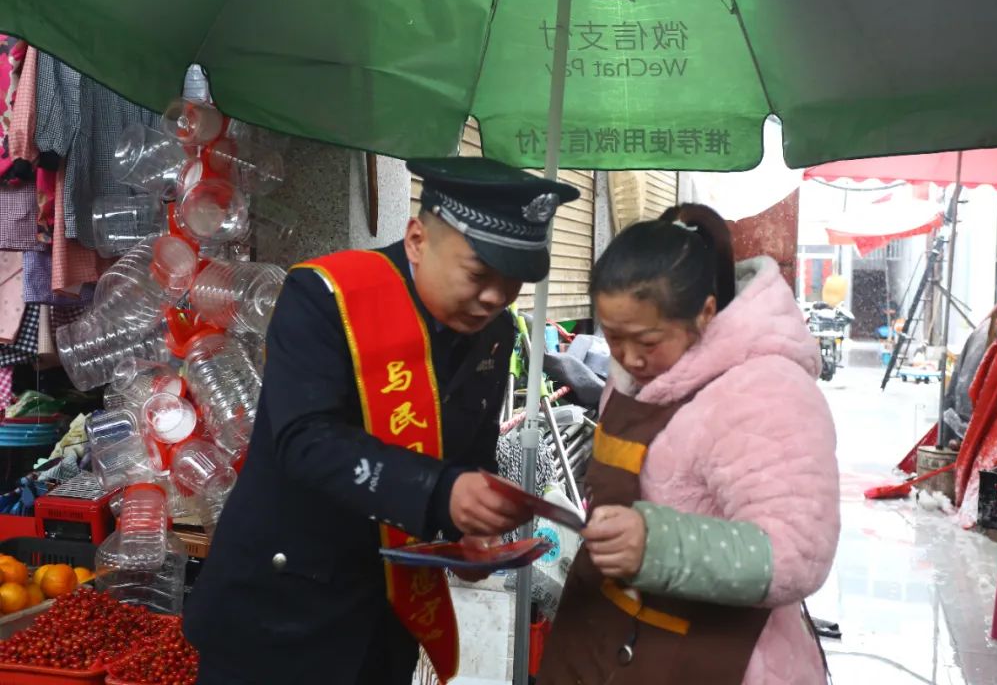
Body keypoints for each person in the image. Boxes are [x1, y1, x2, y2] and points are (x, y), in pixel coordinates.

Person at [184, 157, 580, 685]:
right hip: (280, 611)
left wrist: (468, 530)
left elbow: (468, 457)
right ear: (417, 239)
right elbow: (305, 441)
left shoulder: (494, 333)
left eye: (514, 281)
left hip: (385, 618)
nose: (495, 298)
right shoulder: (327, 297)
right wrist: (441, 493)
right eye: (479, 274)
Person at [537, 204, 840, 685]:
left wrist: (655, 544)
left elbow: (796, 551)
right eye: (614, 338)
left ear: (705, 314)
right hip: (611, 639)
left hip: (713, 660)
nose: (628, 358)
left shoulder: (767, 392)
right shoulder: (640, 374)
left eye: (647, 341)